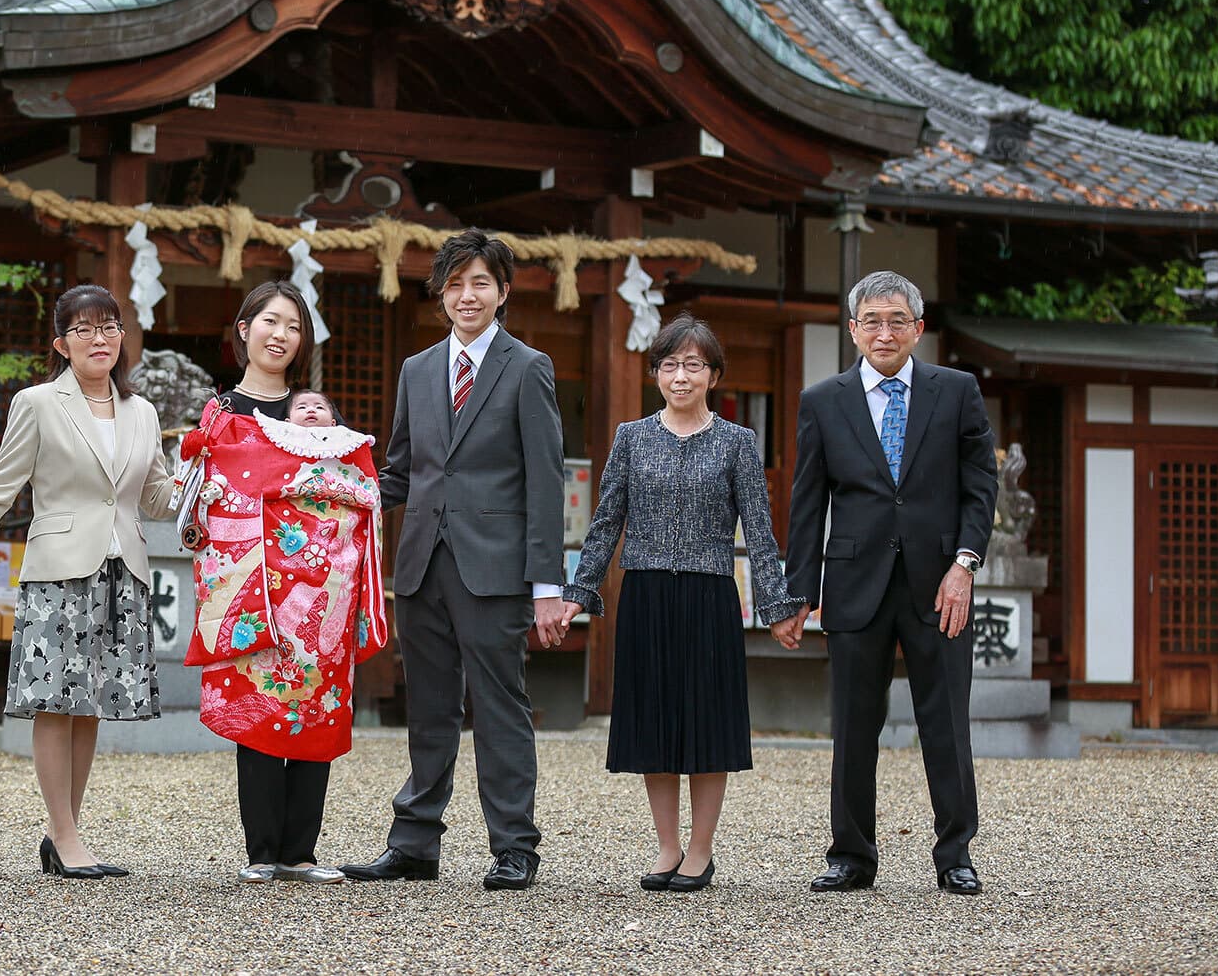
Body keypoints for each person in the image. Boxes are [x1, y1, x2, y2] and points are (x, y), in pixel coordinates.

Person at [343, 230, 576, 892]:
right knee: (430, 706)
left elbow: (545, 479)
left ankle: (515, 846)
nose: (466, 295)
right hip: (420, 564)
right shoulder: (417, 369)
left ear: (502, 292)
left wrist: (546, 585)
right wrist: (333, 492)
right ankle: (415, 842)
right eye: (455, 284)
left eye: (480, 282)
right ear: (441, 294)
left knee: (499, 705)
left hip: (495, 567)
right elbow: (399, 471)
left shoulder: (528, 366)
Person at [774, 270, 997, 897]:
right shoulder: (823, 400)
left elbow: (981, 486)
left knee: (946, 722)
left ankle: (955, 854)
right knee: (852, 724)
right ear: (852, 330)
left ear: (918, 329)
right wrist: (798, 593)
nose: (885, 331)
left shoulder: (956, 392)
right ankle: (850, 855)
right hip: (855, 581)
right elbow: (808, 501)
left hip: (940, 583)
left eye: (898, 320)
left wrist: (965, 564)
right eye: (871, 320)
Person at [563, 313, 803, 893]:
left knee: (706, 721)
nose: (680, 375)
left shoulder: (737, 443)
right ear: (655, 373)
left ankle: (701, 850)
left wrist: (776, 607)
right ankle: (667, 846)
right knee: (653, 721)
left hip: (709, 595)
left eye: (693, 364)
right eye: (669, 364)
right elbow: (605, 522)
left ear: (713, 375)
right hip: (644, 593)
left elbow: (760, 531)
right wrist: (578, 592)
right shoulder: (631, 437)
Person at [0, 285, 174, 880]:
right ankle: (64, 833)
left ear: (122, 338)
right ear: (61, 343)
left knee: (91, 708)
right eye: (83, 329)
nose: (99, 338)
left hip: (122, 571)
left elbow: (155, 496)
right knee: (55, 706)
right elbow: (5, 482)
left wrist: (206, 487)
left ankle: (66, 837)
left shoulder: (143, 412)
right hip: (59, 570)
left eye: (109, 326)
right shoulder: (37, 403)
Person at [180, 288, 389, 885]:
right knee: (260, 707)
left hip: (320, 587)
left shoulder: (318, 414)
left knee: (316, 708)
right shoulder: (222, 412)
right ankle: (261, 850)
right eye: (270, 321)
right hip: (251, 583)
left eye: (293, 325)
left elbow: (349, 492)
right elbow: (210, 498)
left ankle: (303, 850)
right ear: (244, 329)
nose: (281, 334)